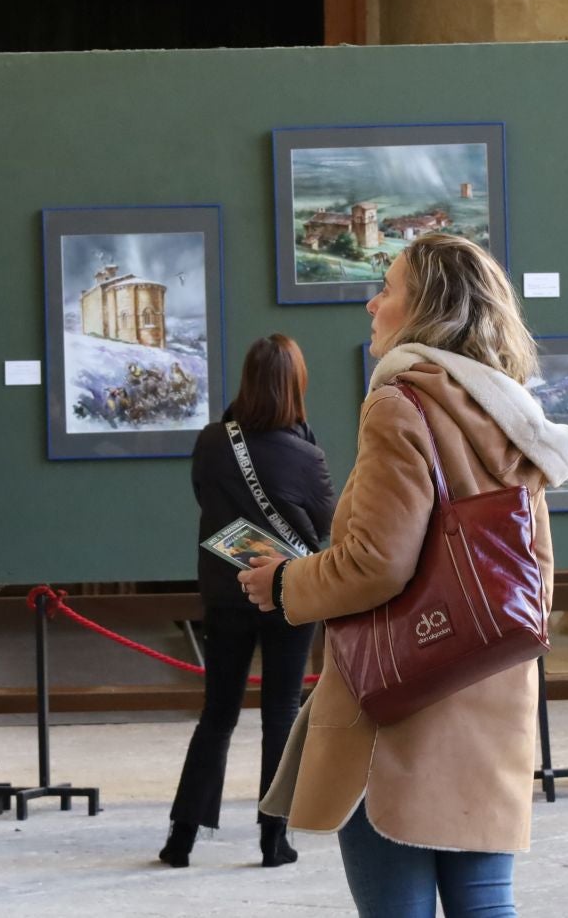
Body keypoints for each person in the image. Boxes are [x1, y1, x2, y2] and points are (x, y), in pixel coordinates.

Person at [239, 234, 568, 918]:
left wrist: (284, 583)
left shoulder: (400, 404)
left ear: (427, 308)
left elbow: (377, 562)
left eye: (388, 289)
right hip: (490, 690)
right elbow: (536, 577)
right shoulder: (512, 413)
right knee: (485, 904)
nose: (372, 304)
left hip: (400, 700)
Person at [160, 333, 337, 869]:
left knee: (217, 713)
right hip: (287, 591)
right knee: (281, 710)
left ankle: (181, 838)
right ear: (297, 385)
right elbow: (325, 525)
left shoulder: (212, 442)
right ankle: (273, 839)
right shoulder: (307, 455)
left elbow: (204, 498)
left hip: (226, 591)